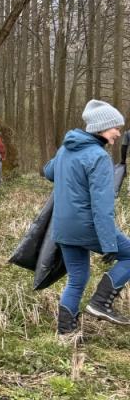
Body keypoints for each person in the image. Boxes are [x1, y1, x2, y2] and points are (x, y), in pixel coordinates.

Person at [44, 99, 130, 336]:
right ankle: (101, 302)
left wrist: (65, 160)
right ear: (102, 127)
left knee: (77, 278)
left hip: (63, 227)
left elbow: (48, 171)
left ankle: (66, 334)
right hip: (87, 226)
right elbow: (102, 207)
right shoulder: (99, 157)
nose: (118, 133)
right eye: (115, 127)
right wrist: (108, 243)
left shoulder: (66, 148)